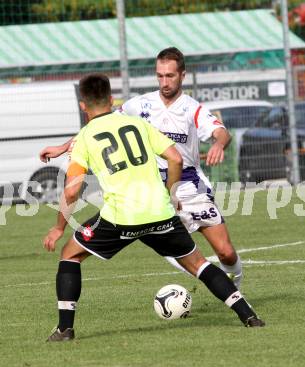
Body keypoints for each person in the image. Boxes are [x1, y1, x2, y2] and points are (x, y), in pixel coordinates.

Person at [43, 73, 264, 341]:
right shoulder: (137, 124)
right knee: (199, 264)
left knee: (70, 254)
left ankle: (65, 329)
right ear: (112, 99)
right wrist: (171, 194)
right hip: (160, 211)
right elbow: (174, 158)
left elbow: (72, 188)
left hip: (120, 219)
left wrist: (58, 228)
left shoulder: (85, 137)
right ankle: (248, 315)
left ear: (82, 106)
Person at [40, 48, 239, 288]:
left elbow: (221, 132)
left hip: (187, 181)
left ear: (183, 75)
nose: (164, 82)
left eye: (170, 76)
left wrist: (219, 143)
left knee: (226, 252)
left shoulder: (192, 108)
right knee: (174, 250)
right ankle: (219, 287)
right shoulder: (140, 104)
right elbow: (102, 124)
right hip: (153, 189)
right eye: (160, 76)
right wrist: (64, 147)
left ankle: (236, 284)